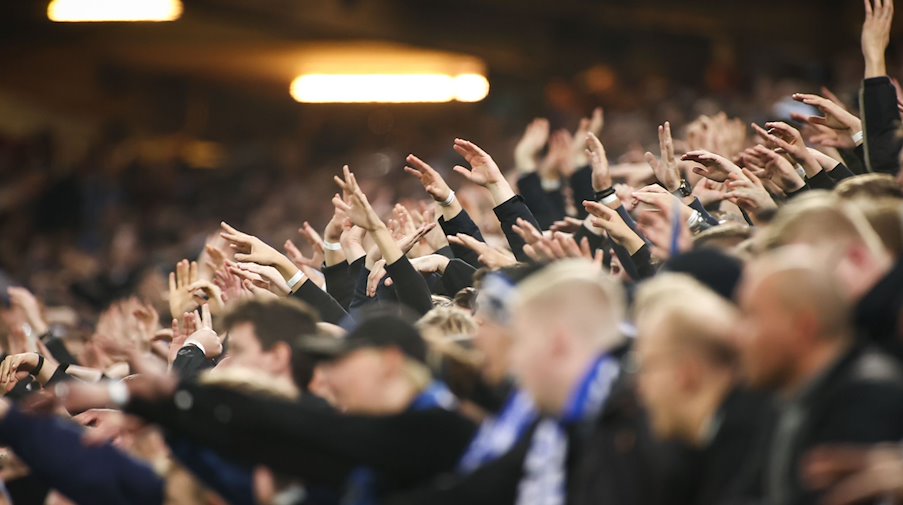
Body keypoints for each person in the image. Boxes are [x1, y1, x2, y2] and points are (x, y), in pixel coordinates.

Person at [735, 246, 903, 505]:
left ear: (804, 327)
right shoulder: (785, 399)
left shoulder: (867, 399)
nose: (738, 336)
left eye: (751, 316)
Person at [633, 273, 773, 505]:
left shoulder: (755, 454)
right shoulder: (702, 445)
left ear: (687, 372)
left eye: (645, 367)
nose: (640, 388)